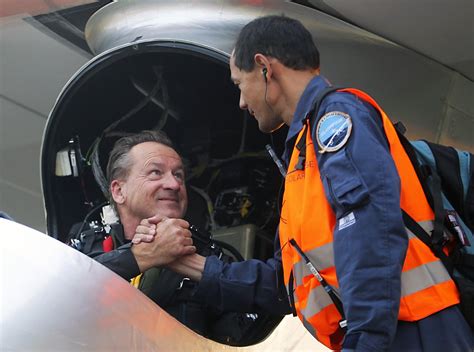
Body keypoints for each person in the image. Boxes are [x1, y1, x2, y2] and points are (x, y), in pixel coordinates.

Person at [137, 15, 474, 351]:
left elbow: (371, 229)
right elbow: (285, 284)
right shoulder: (304, 150)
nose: (241, 102)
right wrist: (187, 263)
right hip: (388, 331)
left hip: (416, 329)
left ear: (265, 68)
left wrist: (366, 340)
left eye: (240, 84)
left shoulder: (336, 119)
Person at [69, 130, 257, 343]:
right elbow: (57, 299)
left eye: (178, 175)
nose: (174, 184)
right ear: (119, 191)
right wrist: (142, 256)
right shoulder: (85, 246)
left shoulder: (211, 258)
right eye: (155, 172)